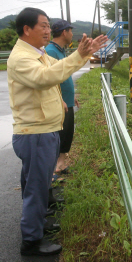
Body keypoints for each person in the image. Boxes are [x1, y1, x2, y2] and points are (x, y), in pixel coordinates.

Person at [8, 7, 106, 256]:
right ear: (26, 29)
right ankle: (31, 240)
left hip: (44, 129)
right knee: (37, 187)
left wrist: (84, 53)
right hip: (36, 133)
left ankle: (37, 224)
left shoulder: (38, 54)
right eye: (42, 25)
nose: (47, 30)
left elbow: (59, 68)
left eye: (48, 25)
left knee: (35, 183)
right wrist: (79, 56)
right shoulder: (21, 58)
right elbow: (45, 78)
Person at [45, 19, 77, 175]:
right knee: (60, 135)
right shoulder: (51, 51)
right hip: (60, 103)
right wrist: (62, 99)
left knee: (67, 133)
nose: (72, 34)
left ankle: (62, 165)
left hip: (67, 100)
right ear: (64, 32)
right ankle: (55, 169)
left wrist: (72, 95)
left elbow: (64, 75)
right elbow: (50, 79)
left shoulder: (60, 50)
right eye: (70, 31)